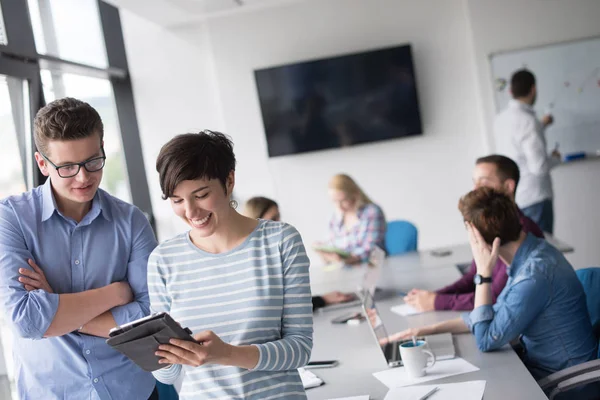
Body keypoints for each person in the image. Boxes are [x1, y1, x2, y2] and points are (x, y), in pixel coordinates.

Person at [0, 98, 158, 399]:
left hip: (131, 391)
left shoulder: (131, 221)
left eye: (92, 162)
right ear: (43, 164)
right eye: (68, 167)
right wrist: (115, 294)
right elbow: (27, 320)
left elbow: (148, 320)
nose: (84, 177)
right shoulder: (11, 219)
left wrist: (57, 306)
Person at [149, 131, 313, 399]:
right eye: (177, 201)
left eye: (200, 195)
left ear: (229, 180)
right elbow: (169, 374)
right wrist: (158, 352)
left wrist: (227, 354)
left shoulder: (280, 241)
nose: (190, 212)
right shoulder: (163, 259)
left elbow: (300, 348)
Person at [388, 187, 597, 394]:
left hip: (564, 382)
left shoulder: (533, 276)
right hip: (540, 367)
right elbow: (494, 313)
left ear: (478, 237)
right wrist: (425, 331)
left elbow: (486, 339)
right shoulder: (533, 253)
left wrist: (483, 273)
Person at [404, 155, 544, 311]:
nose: (475, 189)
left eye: (483, 182)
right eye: (474, 182)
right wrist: (432, 296)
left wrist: (438, 302)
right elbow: (473, 277)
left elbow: (496, 297)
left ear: (508, 186)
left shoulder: (522, 233)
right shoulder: (489, 226)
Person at [244, 196, 355, 310]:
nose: (280, 223)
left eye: (279, 217)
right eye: (274, 219)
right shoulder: (254, 259)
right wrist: (323, 300)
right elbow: (281, 307)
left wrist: (323, 299)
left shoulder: (273, 249)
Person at [494, 69, 561, 234]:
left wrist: (541, 126)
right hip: (535, 196)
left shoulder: (501, 119)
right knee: (541, 252)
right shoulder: (529, 122)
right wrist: (555, 159)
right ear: (533, 89)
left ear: (510, 91)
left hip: (515, 197)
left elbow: (518, 144)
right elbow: (538, 167)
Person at [316, 174, 386, 265]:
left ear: (355, 195)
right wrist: (325, 252)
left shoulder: (371, 212)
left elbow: (373, 249)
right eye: (334, 201)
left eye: (343, 200)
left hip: (370, 267)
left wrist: (352, 258)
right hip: (344, 269)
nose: (339, 206)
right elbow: (332, 245)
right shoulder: (335, 218)